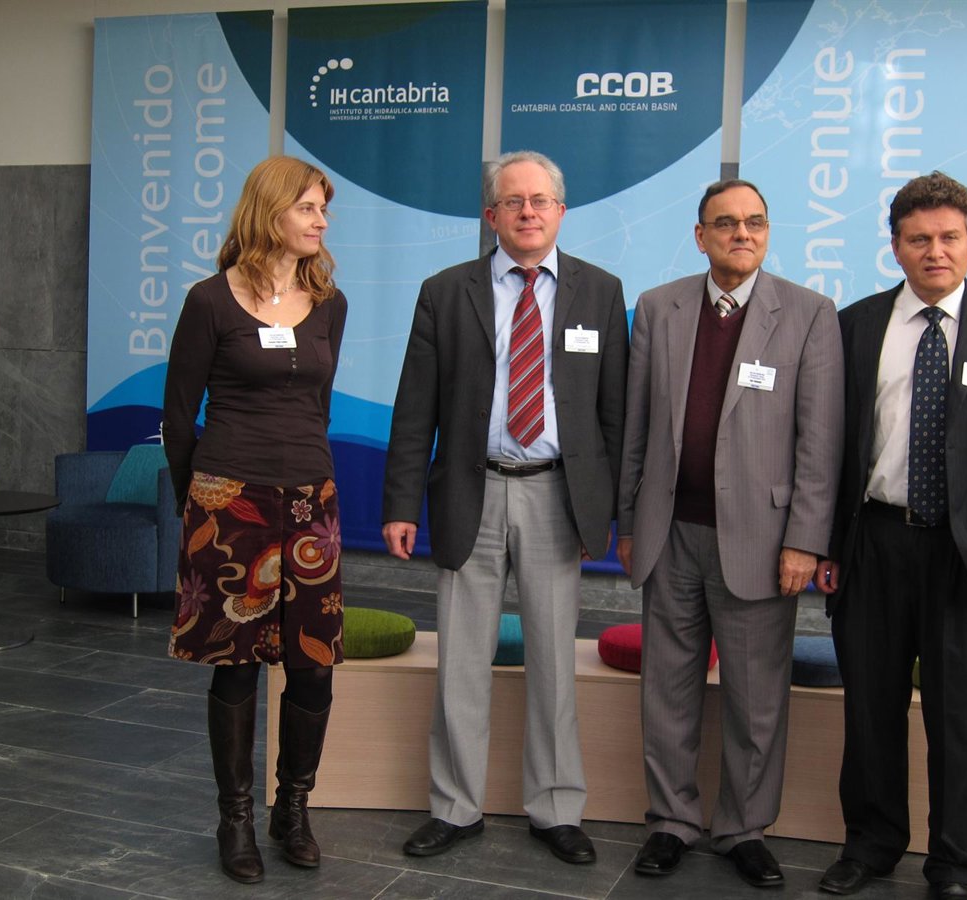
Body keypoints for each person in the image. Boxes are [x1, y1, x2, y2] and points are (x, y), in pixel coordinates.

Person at [815, 172, 967, 899]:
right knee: (870, 710)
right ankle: (870, 845)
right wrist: (829, 545)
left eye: (950, 237)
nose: (936, 252)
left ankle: (954, 864)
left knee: (959, 720)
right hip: (873, 544)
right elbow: (831, 446)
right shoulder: (855, 325)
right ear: (895, 246)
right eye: (919, 239)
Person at [381, 150, 628, 865]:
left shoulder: (600, 291)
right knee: (461, 661)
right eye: (513, 201)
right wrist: (400, 502)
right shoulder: (444, 291)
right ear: (491, 216)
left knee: (554, 664)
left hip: (558, 494)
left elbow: (614, 412)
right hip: (471, 489)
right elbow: (414, 408)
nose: (528, 212)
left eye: (540, 200)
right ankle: (455, 807)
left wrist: (610, 509)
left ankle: (556, 808)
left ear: (561, 211)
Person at [617, 178, 845, 888]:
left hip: (762, 541)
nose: (741, 234)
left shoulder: (808, 314)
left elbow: (820, 441)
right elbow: (636, 425)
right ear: (700, 236)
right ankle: (671, 821)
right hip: (669, 532)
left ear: (767, 233)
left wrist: (805, 539)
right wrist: (628, 520)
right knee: (667, 689)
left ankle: (744, 828)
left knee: (756, 697)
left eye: (754, 222)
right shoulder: (658, 308)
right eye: (725, 223)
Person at [162, 156, 348, 884]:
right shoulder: (210, 301)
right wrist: (200, 501)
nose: (321, 221)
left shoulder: (329, 302)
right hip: (228, 497)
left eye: (323, 209)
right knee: (235, 665)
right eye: (308, 208)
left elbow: (319, 406)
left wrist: (304, 470)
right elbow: (179, 415)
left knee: (313, 664)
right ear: (270, 211)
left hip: (310, 502)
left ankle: (291, 809)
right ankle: (234, 818)